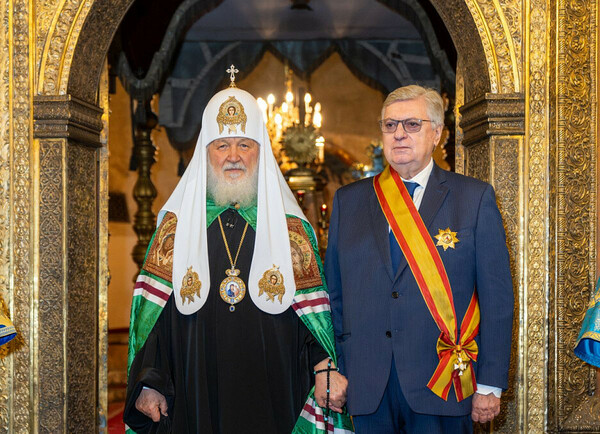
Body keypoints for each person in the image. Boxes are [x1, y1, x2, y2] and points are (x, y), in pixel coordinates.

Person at [124, 70, 352, 433]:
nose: (234, 156)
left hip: (276, 388)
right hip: (195, 386)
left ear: (261, 152)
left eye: (244, 145)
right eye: (222, 146)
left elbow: (312, 318)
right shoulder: (175, 227)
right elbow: (154, 320)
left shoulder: (292, 229)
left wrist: (324, 365)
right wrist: (149, 382)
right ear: (206, 153)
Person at [325, 85, 514, 433]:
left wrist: (489, 383)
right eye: (390, 125)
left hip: (443, 383)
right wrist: (331, 369)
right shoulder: (348, 201)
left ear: (437, 133)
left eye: (412, 124)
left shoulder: (473, 198)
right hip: (366, 384)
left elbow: (496, 298)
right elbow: (333, 297)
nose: (399, 134)